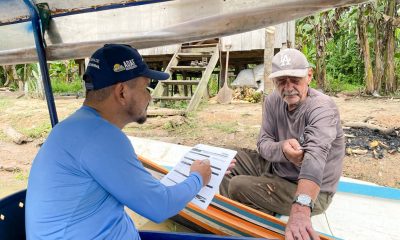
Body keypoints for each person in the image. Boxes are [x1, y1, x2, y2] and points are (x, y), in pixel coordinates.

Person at [25, 44, 212, 240]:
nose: (150, 96)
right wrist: (198, 178)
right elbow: (160, 206)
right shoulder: (99, 136)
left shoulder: (76, 127)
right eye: (146, 87)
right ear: (122, 92)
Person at [220, 48, 345, 240]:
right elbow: (263, 143)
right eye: (281, 81)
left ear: (309, 76)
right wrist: (283, 150)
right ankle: (228, 212)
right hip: (278, 168)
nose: (288, 87)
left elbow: (315, 158)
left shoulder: (322, 107)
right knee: (226, 159)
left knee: (238, 185)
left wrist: (301, 209)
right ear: (273, 81)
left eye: (295, 79)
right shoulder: (272, 101)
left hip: (314, 191)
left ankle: (251, 221)